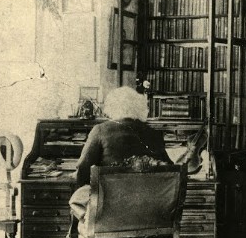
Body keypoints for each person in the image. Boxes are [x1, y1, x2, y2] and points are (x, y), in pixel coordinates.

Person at [70, 86, 172, 218]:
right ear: (140, 107)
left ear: (111, 107)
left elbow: (83, 169)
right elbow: (169, 170)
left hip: (110, 214)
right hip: (147, 213)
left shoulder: (100, 130)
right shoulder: (154, 134)